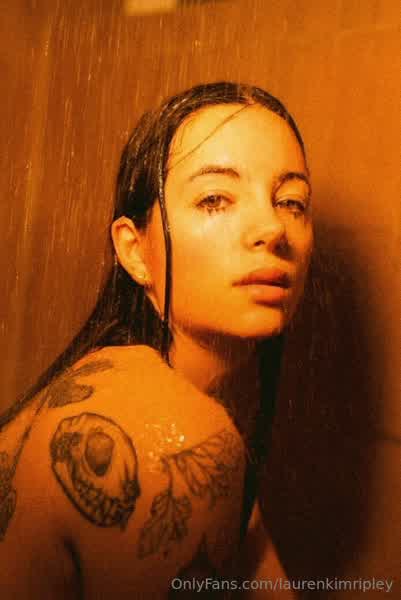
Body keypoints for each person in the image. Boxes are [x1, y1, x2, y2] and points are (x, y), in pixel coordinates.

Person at [0, 82, 313, 598]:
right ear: (134, 250)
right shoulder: (177, 438)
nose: (272, 228)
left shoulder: (146, 396)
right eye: (215, 199)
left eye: (291, 201)